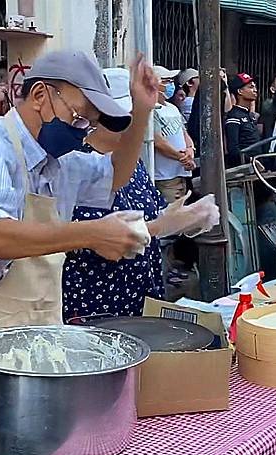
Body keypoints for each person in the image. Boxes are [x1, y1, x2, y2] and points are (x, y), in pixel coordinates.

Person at [0, 50, 160, 387]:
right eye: (79, 118)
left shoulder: (59, 164)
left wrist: (141, 111)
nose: (83, 132)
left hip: (36, 343)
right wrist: (89, 234)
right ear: (40, 95)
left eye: (90, 124)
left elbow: (115, 176)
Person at [62, 68, 218, 320]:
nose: (134, 125)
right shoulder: (73, 164)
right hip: (97, 301)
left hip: (143, 292)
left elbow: (153, 209)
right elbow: (86, 238)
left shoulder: (134, 163)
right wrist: (158, 226)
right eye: (125, 116)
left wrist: (187, 218)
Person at [152, 65, 196, 203]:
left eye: (171, 81)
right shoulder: (151, 110)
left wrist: (190, 149)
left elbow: (183, 133)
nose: (170, 85)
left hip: (181, 173)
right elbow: (158, 142)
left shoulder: (172, 108)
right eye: (165, 81)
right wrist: (182, 158)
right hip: (164, 176)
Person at [186, 68, 232, 158]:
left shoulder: (222, 90)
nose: (221, 79)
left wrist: (226, 85)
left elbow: (228, 108)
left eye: (223, 77)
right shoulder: (204, 90)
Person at [225, 73, 261, 167]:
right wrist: (250, 160)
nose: (255, 90)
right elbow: (233, 149)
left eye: (255, 87)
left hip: (259, 164)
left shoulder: (249, 115)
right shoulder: (234, 116)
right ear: (240, 91)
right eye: (250, 87)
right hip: (245, 168)